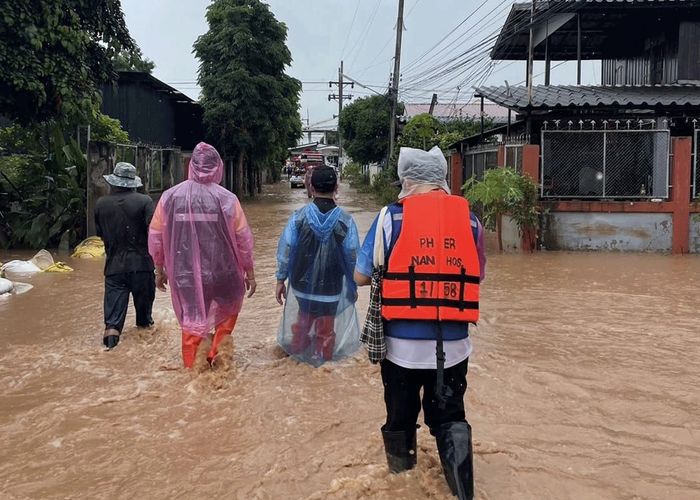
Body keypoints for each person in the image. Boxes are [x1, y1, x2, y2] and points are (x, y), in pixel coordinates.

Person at [354, 146, 486, 500]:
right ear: (442, 178)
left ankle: (402, 486)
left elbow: (360, 276)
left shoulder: (389, 218)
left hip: (401, 350)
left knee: (400, 418)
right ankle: (463, 493)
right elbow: (478, 275)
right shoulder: (471, 221)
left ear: (407, 179)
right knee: (450, 418)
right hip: (455, 347)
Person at [148, 142, 256, 369]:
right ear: (218, 167)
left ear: (191, 166)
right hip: (223, 273)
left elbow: (156, 236)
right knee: (226, 316)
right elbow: (243, 240)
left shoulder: (169, 198)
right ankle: (218, 357)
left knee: (192, 321)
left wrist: (159, 270)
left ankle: (194, 371)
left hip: (185, 275)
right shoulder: (228, 200)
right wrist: (250, 273)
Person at [275, 166, 360, 366]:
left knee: (303, 323)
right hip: (331, 289)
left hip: (301, 289)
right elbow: (352, 258)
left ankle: (296, 364)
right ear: (336, 188)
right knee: (326, 328)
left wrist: (280, 279)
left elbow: (286, 251)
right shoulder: (346, 221)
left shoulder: (298, 218)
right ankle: (323, 365)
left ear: (311, 188)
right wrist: (353, 286)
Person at [95, 162, 156, 350]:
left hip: (114, 270)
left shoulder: (100, 204)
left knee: (112, 325)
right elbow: (154, 234)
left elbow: (100, 235)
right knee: (144, 323)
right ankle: (143, 359)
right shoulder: (145, 201)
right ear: (133, 182)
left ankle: (109, 353)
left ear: (113, 182)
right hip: (142, 268)